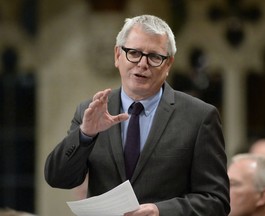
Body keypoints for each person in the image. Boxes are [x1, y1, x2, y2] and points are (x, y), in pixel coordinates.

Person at [44, 14, 230, 216]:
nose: (142, 64)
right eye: (134, 52)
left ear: (168, 65)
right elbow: (57, 178)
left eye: (154, 57)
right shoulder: (91, 111)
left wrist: (160, 211)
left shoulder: (199, 117)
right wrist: (85, 134)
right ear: (117, 55)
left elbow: (216, 201)